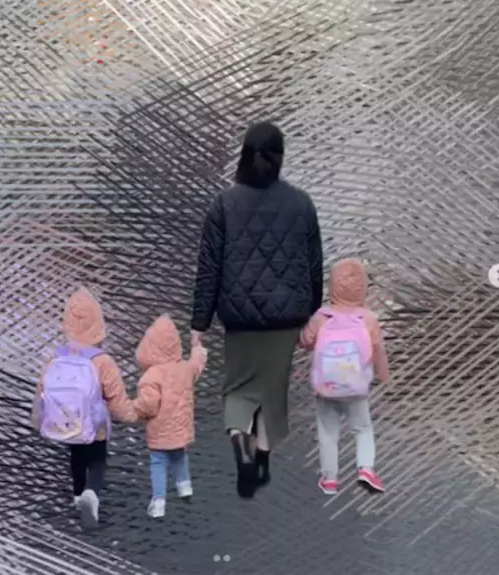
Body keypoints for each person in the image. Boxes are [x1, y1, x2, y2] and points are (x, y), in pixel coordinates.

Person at [190, 121, 323, 499]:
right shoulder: (301, 203)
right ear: (280, 157)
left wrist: (199, 324)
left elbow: (209, 269)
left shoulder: (224, 204)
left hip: (239, 319)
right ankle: (262, 461)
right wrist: (312, 314)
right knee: (271, 391)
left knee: (238, 388)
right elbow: (314, 265)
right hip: (285, 320)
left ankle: (241, 450)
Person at [31, 287, 131, 528]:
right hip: (95, 425)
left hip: (67, 422)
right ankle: (91, 492)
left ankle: (77, 494)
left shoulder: (56, 357)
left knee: (76, 453)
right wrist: (128, 415)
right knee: (97, 458)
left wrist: (36, 417)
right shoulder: (102, 361)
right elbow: (116, 399)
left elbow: (42, 389)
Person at [299, 258, 390, 495]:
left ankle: (330, 479)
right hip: (356, 388)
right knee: (362, 429)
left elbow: (305, 341)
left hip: (326, 389)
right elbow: (378, 350)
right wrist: (385, 376)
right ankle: (366, 469)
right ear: (363, 288)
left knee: (328, 433)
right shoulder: (367, 319)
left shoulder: (322, 317)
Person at [123, 314, 207, 518]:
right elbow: (197, 365)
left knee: (158, 463)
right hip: (181, 430)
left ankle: (159, 501)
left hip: (160, 432)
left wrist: (134, 407)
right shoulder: (184, 369)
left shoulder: (152, 375)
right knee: (179, 456)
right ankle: (185, 488)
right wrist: (197, 347)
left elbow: (148, 405)